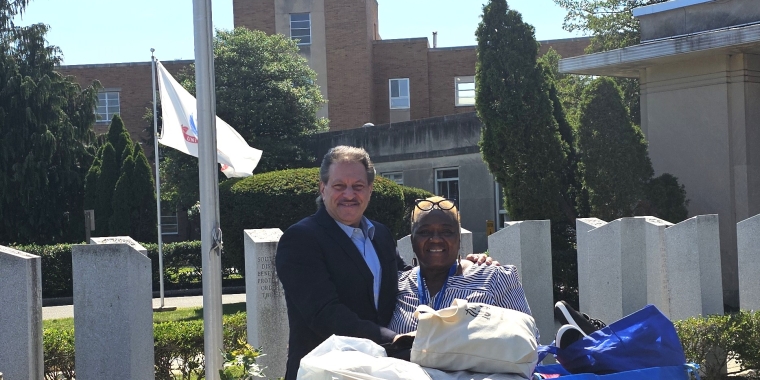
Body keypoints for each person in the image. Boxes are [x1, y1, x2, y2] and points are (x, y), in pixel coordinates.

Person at [275, 146, 495, 379]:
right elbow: (324, 313)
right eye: (339, 186)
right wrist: (394, 338)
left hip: (381, 371)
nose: (349, 194)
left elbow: (406, 280)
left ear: (370, 190)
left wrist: (465, 267)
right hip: (325, 371)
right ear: (323, 188)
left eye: (358, 186)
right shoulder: (301, 239)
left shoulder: (379, 234)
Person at [388, 196, 535, 337]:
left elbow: (529, 338)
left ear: (458, 239)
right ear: (413, 240)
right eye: (425, 232)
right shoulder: (397, 285)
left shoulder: (494, 279)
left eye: (446, 232)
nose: (436, 239)